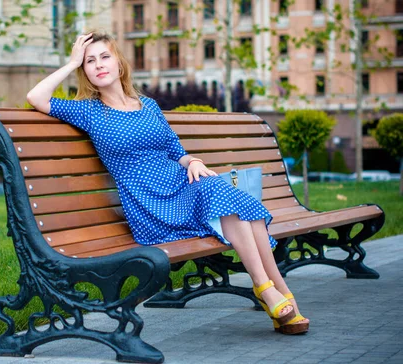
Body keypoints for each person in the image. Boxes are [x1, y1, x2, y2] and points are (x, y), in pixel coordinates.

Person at [27, 31, 309, 335]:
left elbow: (176, 151)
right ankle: (266, 289)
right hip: (152, 205)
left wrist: (194, 161)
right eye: (89, 61)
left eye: (105, 56)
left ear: (119, 64)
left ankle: (275, 287)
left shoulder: (147, 105)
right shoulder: (88, 110)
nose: (98, 65)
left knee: (235, 200)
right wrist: (71, 63)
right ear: (85, 72)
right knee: (228, 198)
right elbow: (36, 98)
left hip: (181, 187)